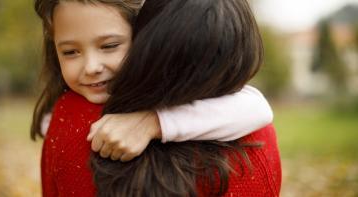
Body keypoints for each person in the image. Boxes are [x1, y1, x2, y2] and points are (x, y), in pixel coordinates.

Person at [33, 0, 281, 196]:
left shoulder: (66, 118)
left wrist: (154, 122)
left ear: (144, 39)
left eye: (109, 46)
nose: (91, 67)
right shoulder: (65, 116)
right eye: (70, 52)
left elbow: (257, 107)